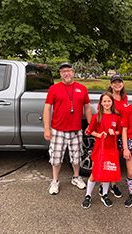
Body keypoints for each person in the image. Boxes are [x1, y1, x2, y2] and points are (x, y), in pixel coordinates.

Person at [43, 62, 92, 195]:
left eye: (69, 70)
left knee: (77, 157)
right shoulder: (54, 88)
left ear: (73, 72)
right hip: (58, 130)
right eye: (63, 71)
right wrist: (47, 128)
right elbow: (47, 108)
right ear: (60, 74)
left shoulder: (82, 88)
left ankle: (76, 177)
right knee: (56, 157)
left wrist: (90, 125)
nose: (67, 73)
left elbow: (87, 107)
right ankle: (55, 181)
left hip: (76, 130)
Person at [81, 92, 121, 208]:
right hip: (99, 149)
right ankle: (88, 195)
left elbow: (119, 131)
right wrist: (98, 135)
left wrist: (115, 133)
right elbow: (88, 131)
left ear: (112, 102)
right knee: (94, 173)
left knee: (107, 173)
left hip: (111, 149)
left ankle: (104, 195)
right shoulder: (97, 116)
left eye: (109, 101)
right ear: (101, 103)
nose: (107, 103)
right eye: (104, 101)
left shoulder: (116, 117)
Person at [97, 74, 128, 198]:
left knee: (115, 160)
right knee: (105, 160)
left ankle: (113, 185)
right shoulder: (108, 97)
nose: (117, 84)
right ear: (111, 84)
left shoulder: (124, 98)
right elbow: (100, 115)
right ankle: (102, 184)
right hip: (107, 134)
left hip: (119, 133)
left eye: (119, 82)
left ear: (122, 84)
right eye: (114, 82)